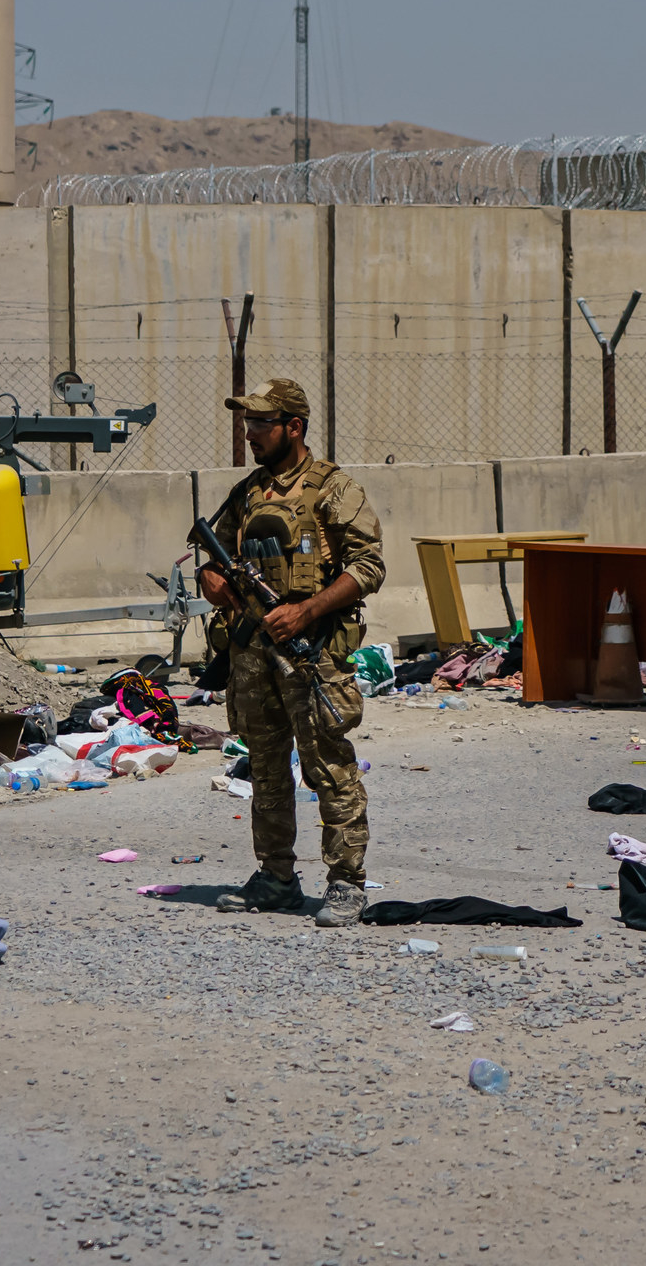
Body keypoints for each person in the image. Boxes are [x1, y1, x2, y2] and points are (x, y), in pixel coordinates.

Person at [197, 378, 382, 926]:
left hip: (311, 651)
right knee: (267, 770)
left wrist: (308, 609)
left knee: (329, 767)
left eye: (261, 424)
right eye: (247, 423)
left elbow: (369, 566)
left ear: (293, 427)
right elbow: (211, 549)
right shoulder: (248, 492)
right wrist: (211, 578)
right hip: (253, 653)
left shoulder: (333, 489)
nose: (249, 433)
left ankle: (346, 883)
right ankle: (276, 877)